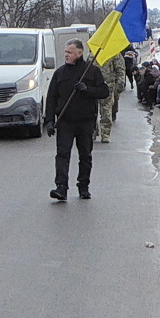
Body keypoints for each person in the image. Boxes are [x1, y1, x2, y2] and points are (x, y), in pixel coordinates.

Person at [45, 38, 109, 202]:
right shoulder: (60, 73)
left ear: (79, 53)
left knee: (85, 155)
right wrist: (49, 121)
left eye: (70, 52)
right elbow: (51, 98)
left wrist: (88, 90)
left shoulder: (92, 71)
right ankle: (61, 187)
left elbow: (104, 92)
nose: (66, 55)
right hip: (65, 121)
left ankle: (83, 186)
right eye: (65, 52)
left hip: (85, 121)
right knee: (62, 154)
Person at [97, 44, 127, 143]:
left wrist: (120, 85)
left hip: (108, 88)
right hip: (93, 88)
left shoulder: (114, 54)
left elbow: (120, 70)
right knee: (92, 112)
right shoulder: (94, 53)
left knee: (106, 112)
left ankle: (105, 134)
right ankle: (93, 132)